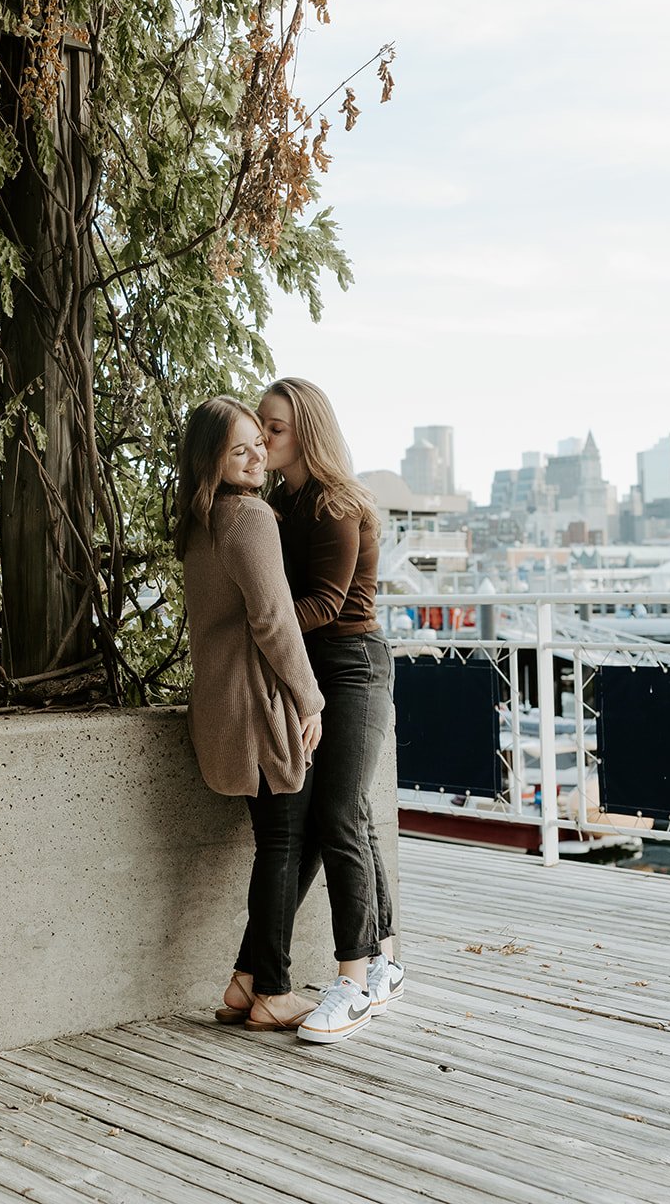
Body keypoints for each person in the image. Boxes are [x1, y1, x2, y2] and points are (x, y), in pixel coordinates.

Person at [258, 377, 404, 1045]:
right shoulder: (277, 503)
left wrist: (255, 634)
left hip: (353, 666)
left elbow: (324, 603)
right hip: (310, 668)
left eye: (276, 428)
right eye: (260, 424)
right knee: (350, 813)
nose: (263, 437)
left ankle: (352, 984)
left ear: (307, 433)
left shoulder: (334, 503)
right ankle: (383, 959)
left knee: (339, 813)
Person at [175, 395, 325, 1031]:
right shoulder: (250, 517)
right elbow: (274, 619)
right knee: (288, 841)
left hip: (217, 704)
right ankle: (273, 991)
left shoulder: (200, 521)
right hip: (258, 704)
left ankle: (245, 982)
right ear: (211, 461)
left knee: (282, 840)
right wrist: (310, 697)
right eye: (238, 450)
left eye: (258, 444)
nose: (257, 456)